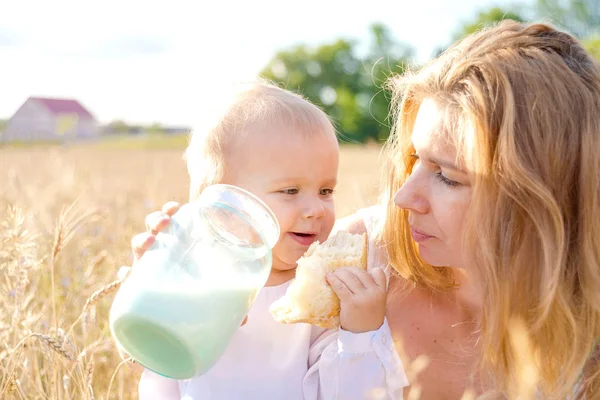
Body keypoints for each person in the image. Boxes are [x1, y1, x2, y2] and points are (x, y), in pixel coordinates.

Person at [134, 20, 600, 399]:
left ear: (539, 199)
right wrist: (180, 282)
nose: (402, 198)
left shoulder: (587, 344)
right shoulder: (355, 256)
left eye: (449, 176)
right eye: (415, 160)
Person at [126, 81, 408, 400]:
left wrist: (360, 334)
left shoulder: (325, 296)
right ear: (222, 203)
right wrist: (153, 284)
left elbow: (351, 394)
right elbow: (156, 369)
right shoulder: (200, 277)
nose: (316, 209)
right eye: (290, 191)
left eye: (326, 191)